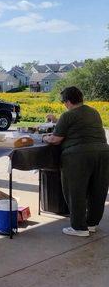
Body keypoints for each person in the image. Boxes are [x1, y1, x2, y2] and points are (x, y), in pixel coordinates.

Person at [43, 86, 109, 237]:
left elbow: (55, 139)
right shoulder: (93, 112)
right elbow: (79, 125)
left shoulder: (68, 115)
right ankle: (91, 224)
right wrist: (57, 120)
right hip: (103, 153)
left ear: (67, 101)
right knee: (97, 190)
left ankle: (79, 228)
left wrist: (44, 137)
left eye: (64, 102)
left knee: (76, 191)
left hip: (78, 156)